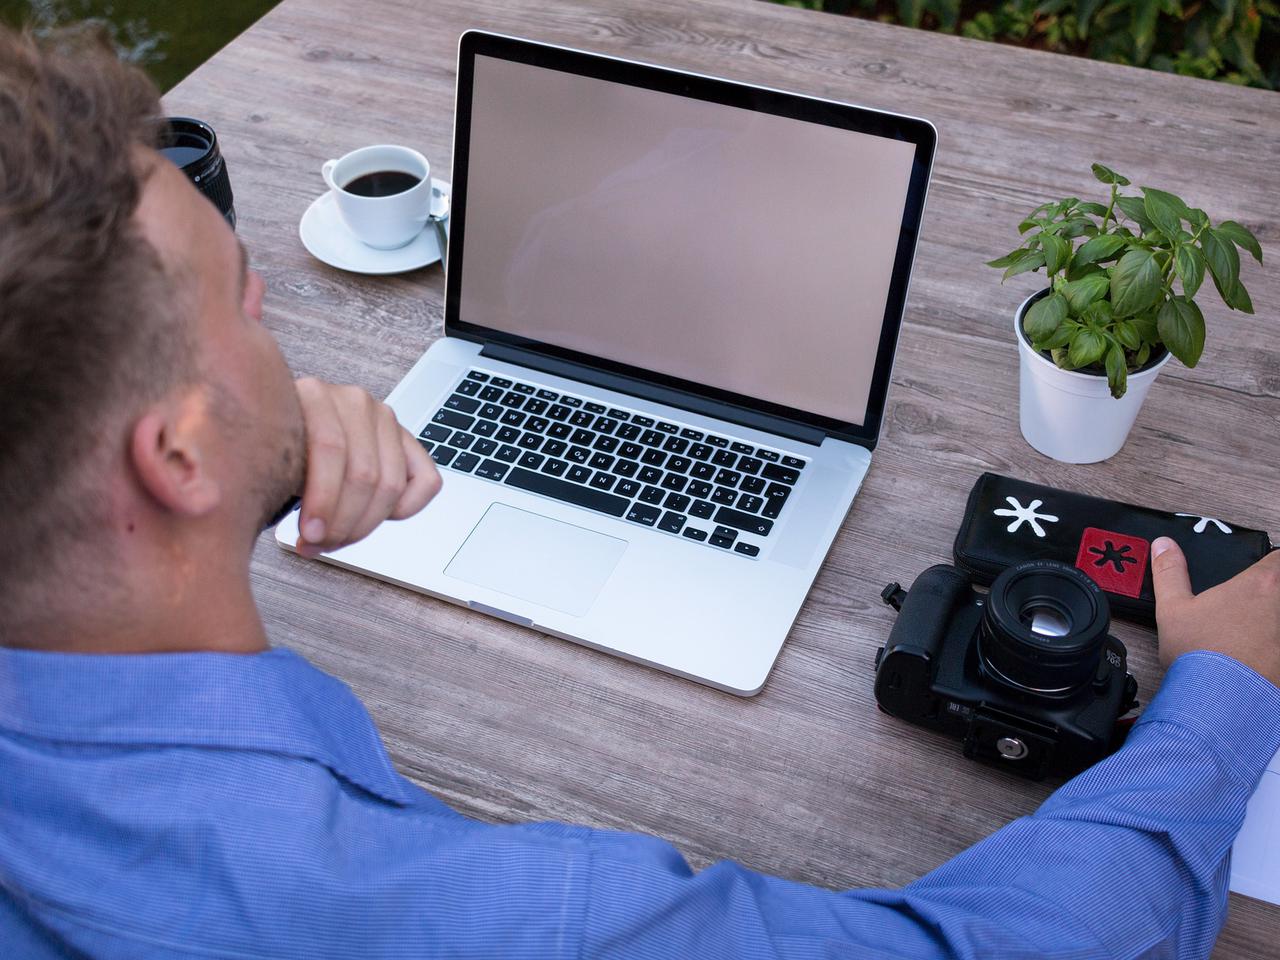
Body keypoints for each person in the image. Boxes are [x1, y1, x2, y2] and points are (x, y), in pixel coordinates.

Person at [1, 26, 1278, 960]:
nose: (277, 325)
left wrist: (252, 470)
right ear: (173, 458)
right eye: (243, 301)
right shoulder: (511, 921)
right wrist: (1222, 697)